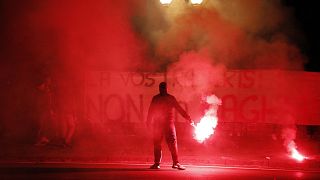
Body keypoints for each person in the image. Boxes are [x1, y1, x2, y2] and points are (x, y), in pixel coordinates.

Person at [146, 82, 193, 170]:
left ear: (164, 88)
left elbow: (179, 109)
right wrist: (148, 121)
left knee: (166, 143)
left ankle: (169, 163)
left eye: (162, 88)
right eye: (161, 88)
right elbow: (151, 111)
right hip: (163, 123)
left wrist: (188, 118)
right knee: (163, 143)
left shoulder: (159, 98)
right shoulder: (166, 98)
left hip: (165, 123)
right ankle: (166, 163)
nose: (162, 89)